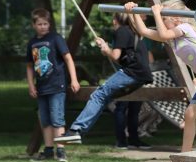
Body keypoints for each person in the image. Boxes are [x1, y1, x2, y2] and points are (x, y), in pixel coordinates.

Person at [122, 0, 196, 151]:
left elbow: (164, 33)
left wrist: (156, 13)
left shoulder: (184, 28)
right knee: (189, 115)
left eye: (164, 18)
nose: (161, 21)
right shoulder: (172, 39)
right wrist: (132, 14)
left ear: (177, 19)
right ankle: (186, 153)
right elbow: (144, 31)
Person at [54, 12, 151, 146]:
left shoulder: (121, 31)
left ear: (115, 21)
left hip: (132, 73)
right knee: (103, 97)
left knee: (99, 95)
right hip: (140, 75)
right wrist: (107, 49)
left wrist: (106, 50)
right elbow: (122, 60)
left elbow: (115, 56)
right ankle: (78, 131)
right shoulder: (131, 31)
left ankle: (76, 130)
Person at [26, 8, 80, 162]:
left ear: (49, 24)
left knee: (57, 118)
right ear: (34, 25)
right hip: (41, 87)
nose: (43, 26)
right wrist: (31, 85)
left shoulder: (55, 39)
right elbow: (29, 65)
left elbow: (68, 59)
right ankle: (48, 150)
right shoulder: (32, 43)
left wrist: (74, 80)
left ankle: (61, 150)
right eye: (39, 24)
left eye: (45, 24)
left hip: (57, 85)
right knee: (45, 120)